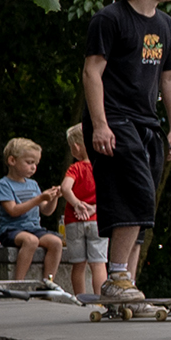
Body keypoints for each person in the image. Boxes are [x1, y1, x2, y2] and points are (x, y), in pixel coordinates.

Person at [79, 0, 171, 305]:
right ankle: (117, 277)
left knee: (143, 206)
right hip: (114, 118)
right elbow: (92, 72)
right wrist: (99, 125)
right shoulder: (110, 19)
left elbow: (170, 78)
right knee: (135, 194)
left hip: (146, 122)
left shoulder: (165, 24)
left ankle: (127, 286)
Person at [0, 138, 57, 285]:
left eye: (35, 164)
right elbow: (13, 211)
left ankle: (48, 283)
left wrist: (53, 198)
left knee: (56, 242)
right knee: (30, 241)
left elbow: (46, 211)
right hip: (11, 230)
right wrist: (39, 198)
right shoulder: (4, 184)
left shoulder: (33, 184)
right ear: (12, 161)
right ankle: (18, 282)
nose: (33, 167)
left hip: (34, 228)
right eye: (29, 162)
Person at [55, 125, 105, 301]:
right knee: (99, 264)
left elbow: (65, 188)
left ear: (76, 147)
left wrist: (76, 204)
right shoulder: (103, 167)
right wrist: (94, 208)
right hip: (98, 220)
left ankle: (81, 299)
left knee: (78, 265)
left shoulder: (75, 168)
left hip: (74, 221)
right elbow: (110, 193)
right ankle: (101, 300)